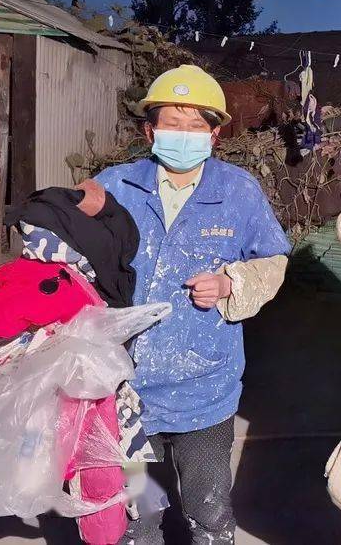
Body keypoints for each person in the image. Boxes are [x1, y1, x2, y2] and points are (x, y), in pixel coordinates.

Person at [95, 64, 291, 545]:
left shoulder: (238, 191)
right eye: (171, 123)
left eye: (195, 125)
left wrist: (231, 284)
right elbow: (63, 247)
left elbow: (275, 262)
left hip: (206, 390)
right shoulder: (115, 187)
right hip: (126, 391)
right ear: (150, 129)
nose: (182, 135)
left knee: (209, 512)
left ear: (214, 134)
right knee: (138, 515)